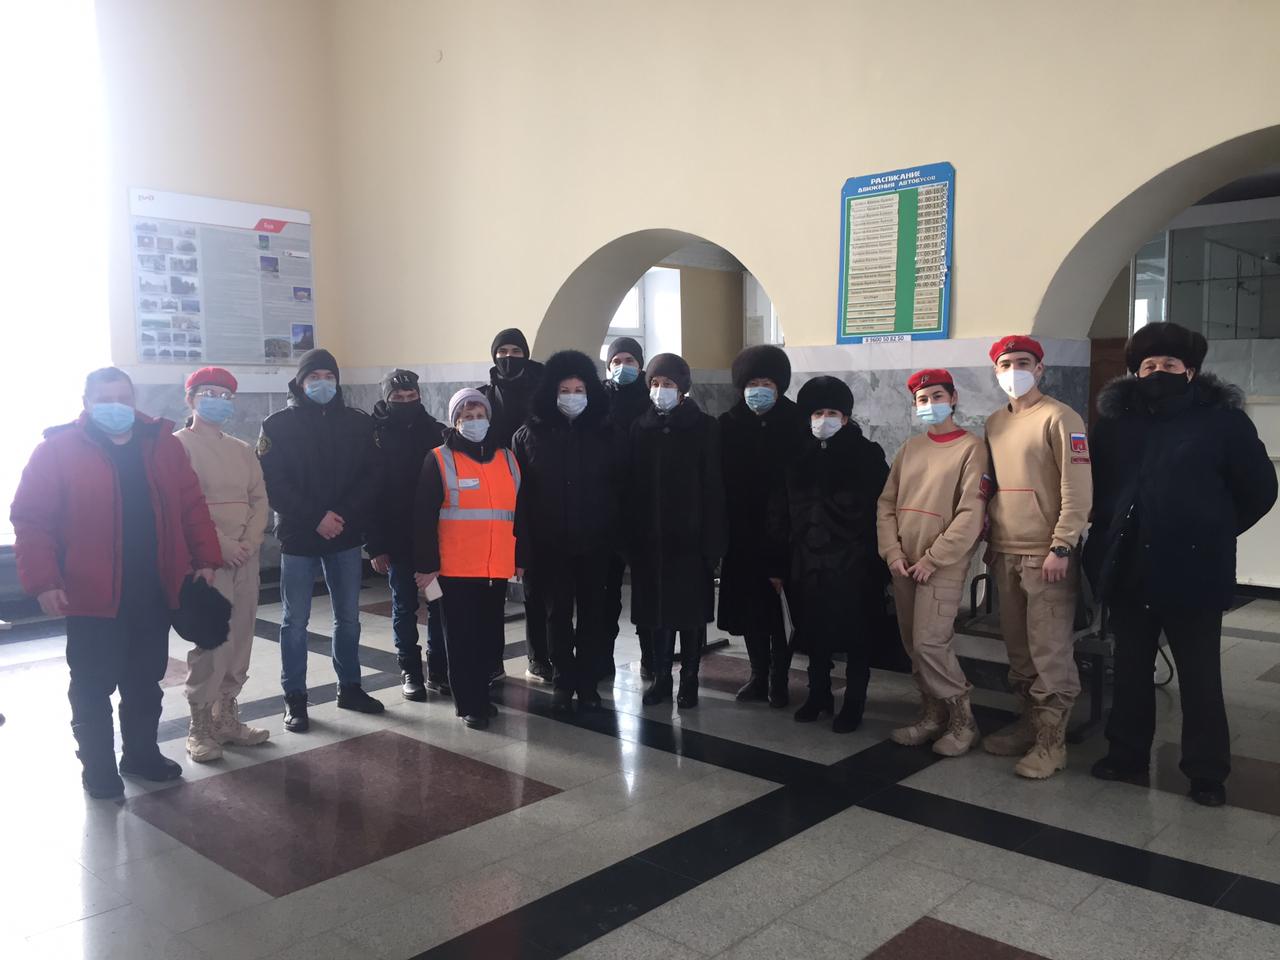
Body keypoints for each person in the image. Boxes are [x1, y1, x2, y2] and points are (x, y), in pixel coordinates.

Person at [1086, 323, 1276, 807]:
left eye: (1169, 364)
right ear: (1135, 372)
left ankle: (1207, 772)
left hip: (1194, 571)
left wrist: (1212, 530)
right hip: (1129, 566)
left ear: (1190, 371)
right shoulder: (1115, 424)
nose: (1158, 372)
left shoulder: (1223, 422)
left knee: (1200, 677)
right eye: (1148, 365)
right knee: (1131, 670)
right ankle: (1126, 754)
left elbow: (1260, 490)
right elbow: (1096, 489)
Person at [11, 367, 221, 798]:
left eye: (123, 398)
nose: (116, 406)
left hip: (153, 591)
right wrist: (45, 581)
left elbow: (192, 505)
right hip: (91, 596)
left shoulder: (162, 444)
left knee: (144, 681)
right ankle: (99, 768)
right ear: (86, 403)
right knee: (92, 685)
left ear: (134, 399)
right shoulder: (57, 450)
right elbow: (31, 520)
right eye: (105, 399)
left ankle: (141, 755)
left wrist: (205, 558)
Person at [982, 335, 1092, 779]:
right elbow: (992, 487)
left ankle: (1052, 743)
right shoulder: (995, 423)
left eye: (1023, 362)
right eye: (1006, 363)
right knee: (1019, 650)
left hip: (1047, 555)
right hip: (1005, 549)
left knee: (1049, 651)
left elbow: (1077, 489)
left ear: (1040, 368)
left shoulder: (1061, 418)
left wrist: (1062, 544)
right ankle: (1029, 725)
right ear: (996, 371)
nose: (1015, 371)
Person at [258, 348, 385, 732]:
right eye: (314, 377)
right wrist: (315, 518)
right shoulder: (277, 425)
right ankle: (295, 697)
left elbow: (372, 475)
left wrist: (340, 515)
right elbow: (272, 482)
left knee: (348, 617)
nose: (322, 383)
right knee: (295, 620)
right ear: (300, 383)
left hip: (344, 533)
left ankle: (350, 687)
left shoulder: (357, 422)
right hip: (299, 535)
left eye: (329, 377)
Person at [877, 369, 988, 756]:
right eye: (922, 400)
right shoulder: (910, 449)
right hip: (904, 562)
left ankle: (963, 720)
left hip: (941, 564)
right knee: (912, 643)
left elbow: (971, 513)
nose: (930, 404)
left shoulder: (972, 448)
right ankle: (932, 715)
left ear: (953, 398)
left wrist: (934, 558)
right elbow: (886, 504)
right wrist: (892, 551)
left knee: (930, 643)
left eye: (937, 396)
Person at [771, 376, 889, 732]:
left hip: (855, 564)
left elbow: (884, 510)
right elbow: (780, 513)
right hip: (806, 563)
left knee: (857, 636)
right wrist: (779, 563)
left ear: (846, 417)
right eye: (817, 413)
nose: (824, 419)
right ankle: (818, 694)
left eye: (832, 413)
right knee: (814, 632)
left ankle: (854, 702)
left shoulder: (867, 455)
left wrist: (880, 563)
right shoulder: (795, 456)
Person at [513, 350, 621, 710]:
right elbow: (521, 497)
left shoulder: (607, 433)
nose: (572, 396)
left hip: (596, 542)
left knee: (593, 612)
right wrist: (524, 546)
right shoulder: (528, 436)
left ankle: (587, 682)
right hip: (550, 544)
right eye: (565, 390)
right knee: (556, 614)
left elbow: (621, 487)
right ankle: (563, 678)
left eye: (579, 390)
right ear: (551, 392)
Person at [175, 367, 271, 762]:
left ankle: (226, 717)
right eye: (209, 394)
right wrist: (223, 546)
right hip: (206, 561)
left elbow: (259, 499)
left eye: (225, 396)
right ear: (191, 399)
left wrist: (248, 542)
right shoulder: (177, 447)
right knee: (213, 640)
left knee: (241, 637)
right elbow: (184, 507)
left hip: (245, 558)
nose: (218, 401)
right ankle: (199, 725)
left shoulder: (242, 450)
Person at [413, 388, 522, 729]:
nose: (475, 422)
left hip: (496, 567)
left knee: (488, 638)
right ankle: (469, 703)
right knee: (462, 640)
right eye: (467, 417)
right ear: (455, 422)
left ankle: (482, 696)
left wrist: (521, 557)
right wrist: (427, 566)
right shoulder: (439, 459)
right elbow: (423, 517)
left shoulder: (507, 458)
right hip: (456, 569)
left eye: (480, 416)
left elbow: (520, 513)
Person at [627, 353, 726, 708]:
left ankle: (690, 678)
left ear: (682, 388)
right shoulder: (640, 428)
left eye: (667, 383)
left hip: (691, 542)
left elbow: (714, 488)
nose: (660, 390)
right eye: (654, 383)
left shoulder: (705, 427)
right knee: (657, 616)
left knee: (691, 615)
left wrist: (713, 543)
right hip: (651, 542)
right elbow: (631, 486)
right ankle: (661, 677)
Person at [718, 345, 805, 708]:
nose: (759, 390)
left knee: (783, 614)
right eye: (752, 383)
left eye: (766, 383)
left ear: (779, 385)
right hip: (742, 536)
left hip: (788, 535)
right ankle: (758, 675)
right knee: (751, 612)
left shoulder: (798, 422)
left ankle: (779, 678)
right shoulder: (728, 424)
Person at [367, 369, 448, 701]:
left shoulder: (437, 431)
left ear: (419, 396)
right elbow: (370, 494)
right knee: (404, 606)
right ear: (387, 399)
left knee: (438, 603)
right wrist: (375, 545)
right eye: (397, 398)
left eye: (411, 396)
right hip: (397, 540)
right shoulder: (375, 436)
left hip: (433, 540)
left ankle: (439, 667)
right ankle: (411, 670)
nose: (405, 402)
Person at [479, 327, 550, 684]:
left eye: (516, 351)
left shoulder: (544, 393)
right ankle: (491, 661)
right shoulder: (484, 396)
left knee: (538, 586)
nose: (509, 357)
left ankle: (540, 658)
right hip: (494, 501)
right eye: (502, 351)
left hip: (537, 500)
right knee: (491, 589)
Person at [601, 336, 652, 680]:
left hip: (643, 512)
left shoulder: (652, 399)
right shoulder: (597, 400)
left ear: (640, 365)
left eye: (630, 360)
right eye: (617, 361)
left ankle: (651, 656)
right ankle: (602, 656)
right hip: (606, 512)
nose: (623, 367)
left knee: (647, 591)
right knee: (606, 593)